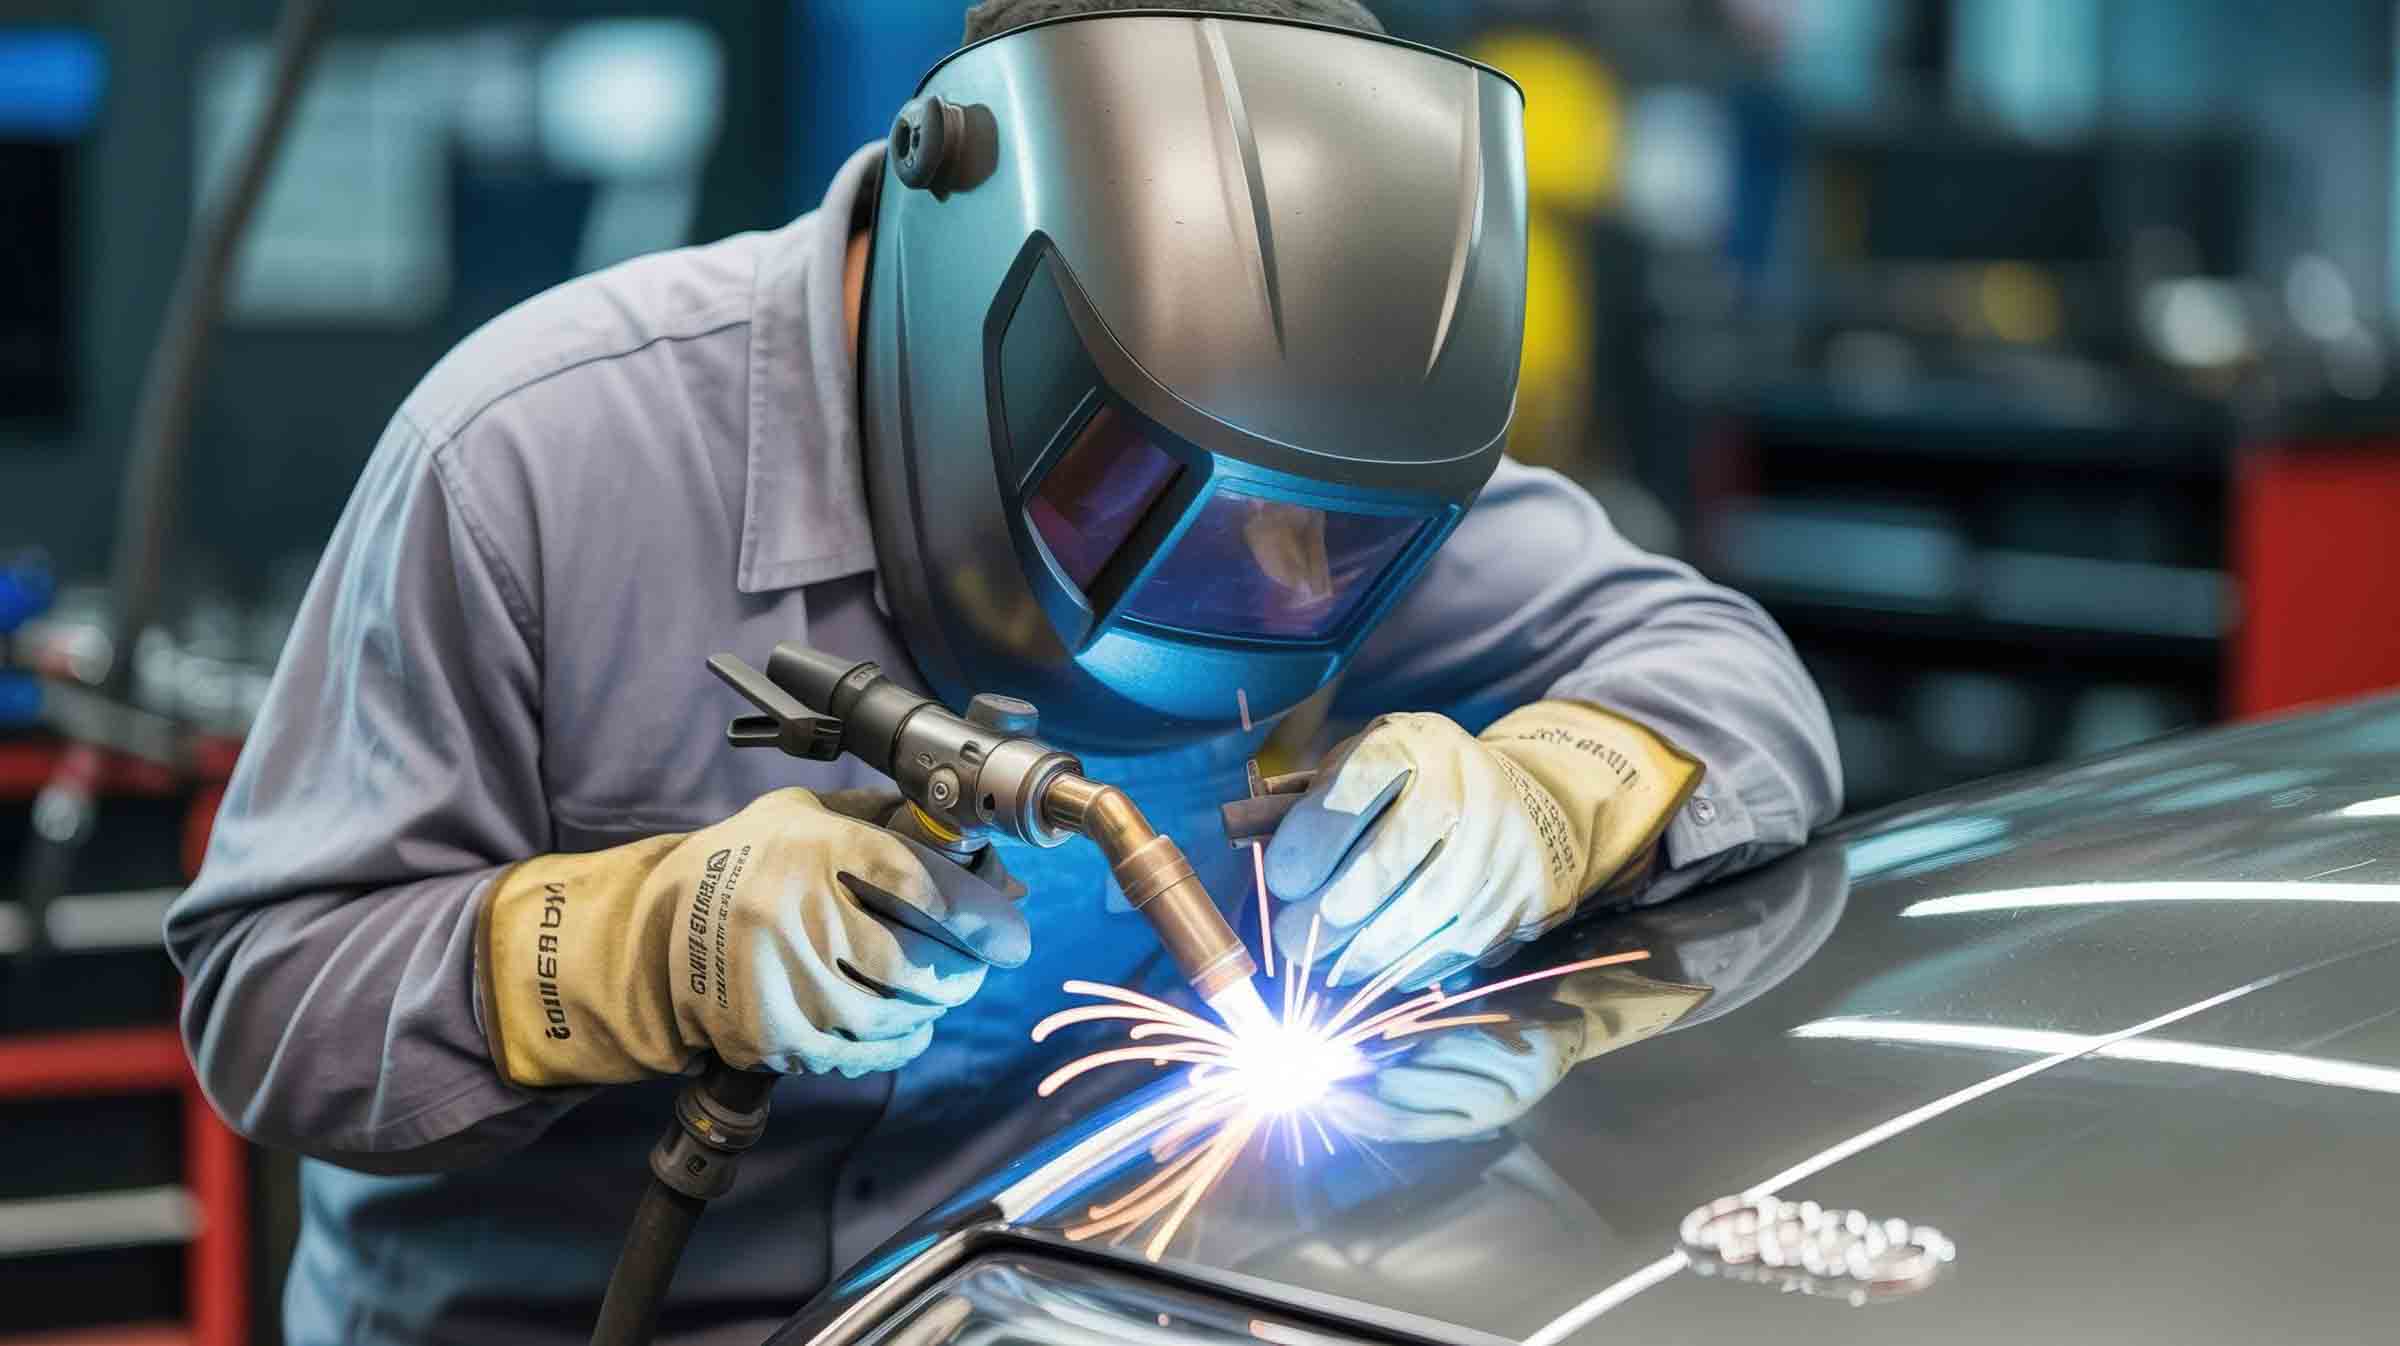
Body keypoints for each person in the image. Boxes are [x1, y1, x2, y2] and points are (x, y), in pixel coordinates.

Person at [167, 2, 1841, 1343]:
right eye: (1162, 494)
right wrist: (630, 946)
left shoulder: (1334, 459)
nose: (1266, 584)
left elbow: (1728, 677)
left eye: (1328, 541)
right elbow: (266, 989)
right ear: (955, 289)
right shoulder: (532, 456)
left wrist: (1553, 797)